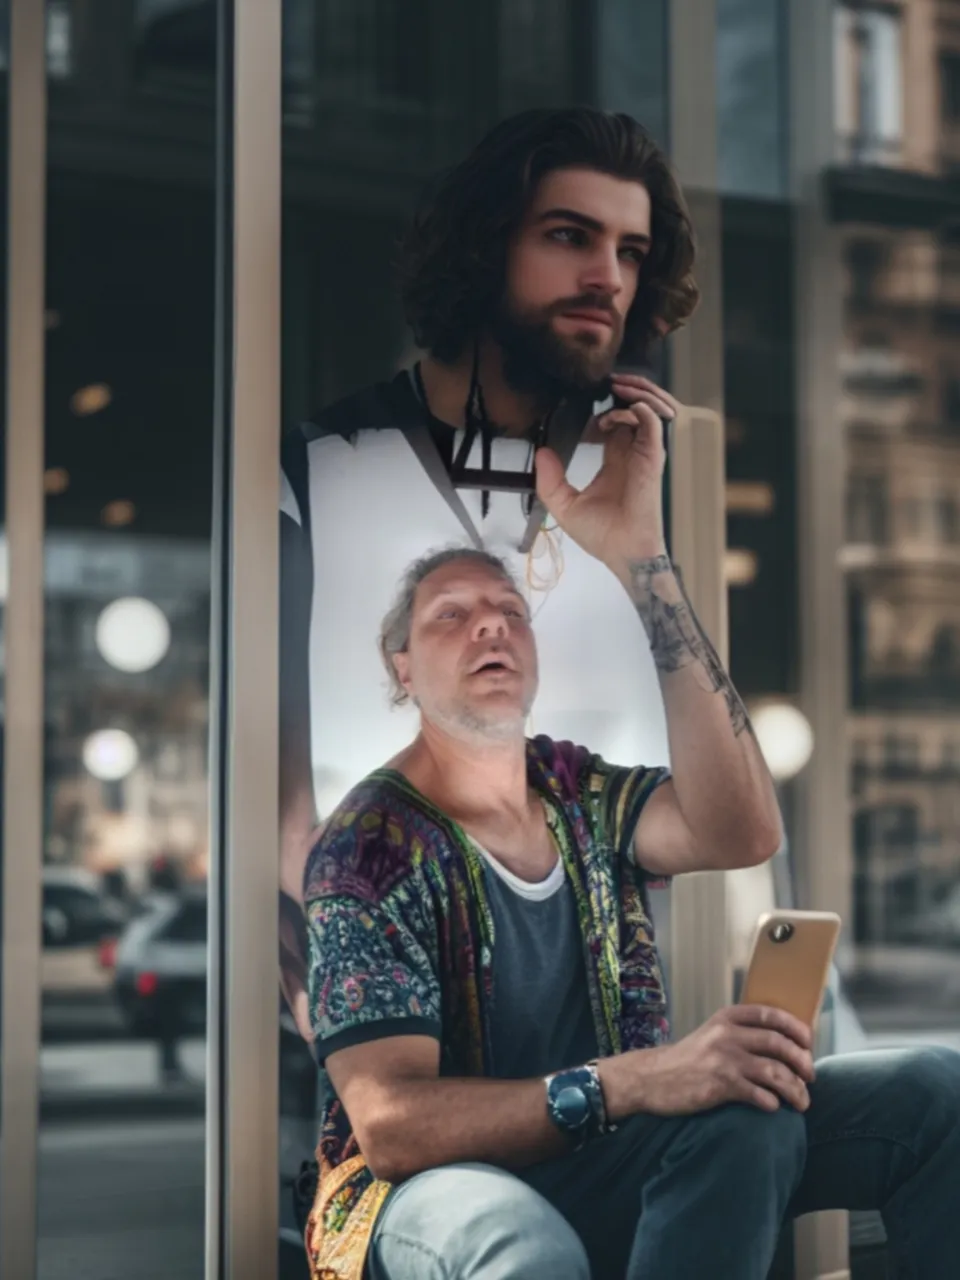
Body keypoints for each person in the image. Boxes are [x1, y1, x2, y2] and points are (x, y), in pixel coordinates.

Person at [300, 411, 960, 1279]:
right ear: (401, 669)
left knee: (925, 1094)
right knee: (522, 1242)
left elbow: (743, 828)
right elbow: (393, 1128)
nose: (491, 626)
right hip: (433, 1186)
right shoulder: (367, 846)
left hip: (610, 1146)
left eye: (508, 610)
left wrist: (642, 562)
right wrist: (638, 1081)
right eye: (451, 615)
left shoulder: (577, 789)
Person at [279, 106, 695, 1038]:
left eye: (631, 252)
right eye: (568, 236)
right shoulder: (322, 468)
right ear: (483, 247)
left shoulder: (629, 477)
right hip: (382, 1007)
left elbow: (705, 807)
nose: (606, 277)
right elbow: (279, 814)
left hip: (610, 1016)